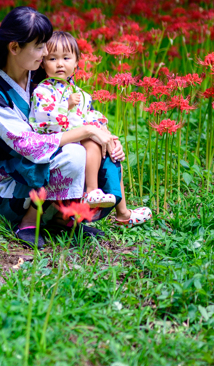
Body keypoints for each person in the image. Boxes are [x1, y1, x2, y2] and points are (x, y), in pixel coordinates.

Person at [0, 7, 142, 249]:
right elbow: (26, 145)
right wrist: (86, 132)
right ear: (14, 47)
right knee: (75, 153)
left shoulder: (41, 74)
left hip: (50, 172)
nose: (46, 54)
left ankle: (66, 218)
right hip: (14, 187)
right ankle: (29, 222)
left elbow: (82, 111)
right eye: (40, 47)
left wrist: (105, 135)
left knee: (98, 149)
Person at [30, 30, 151, 226]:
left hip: (79, 138)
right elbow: (45, 118)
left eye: (66, 58)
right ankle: (91, 191)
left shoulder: (82, 94)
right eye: (52, 58)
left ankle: (123, 213)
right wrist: (66, 105)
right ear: (43, 63)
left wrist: (108, 136)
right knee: (92, 144)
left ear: (77, 62)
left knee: (111, 154)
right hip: (57, 142)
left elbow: (91, 117)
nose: (60, 63)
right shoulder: (43, 90)